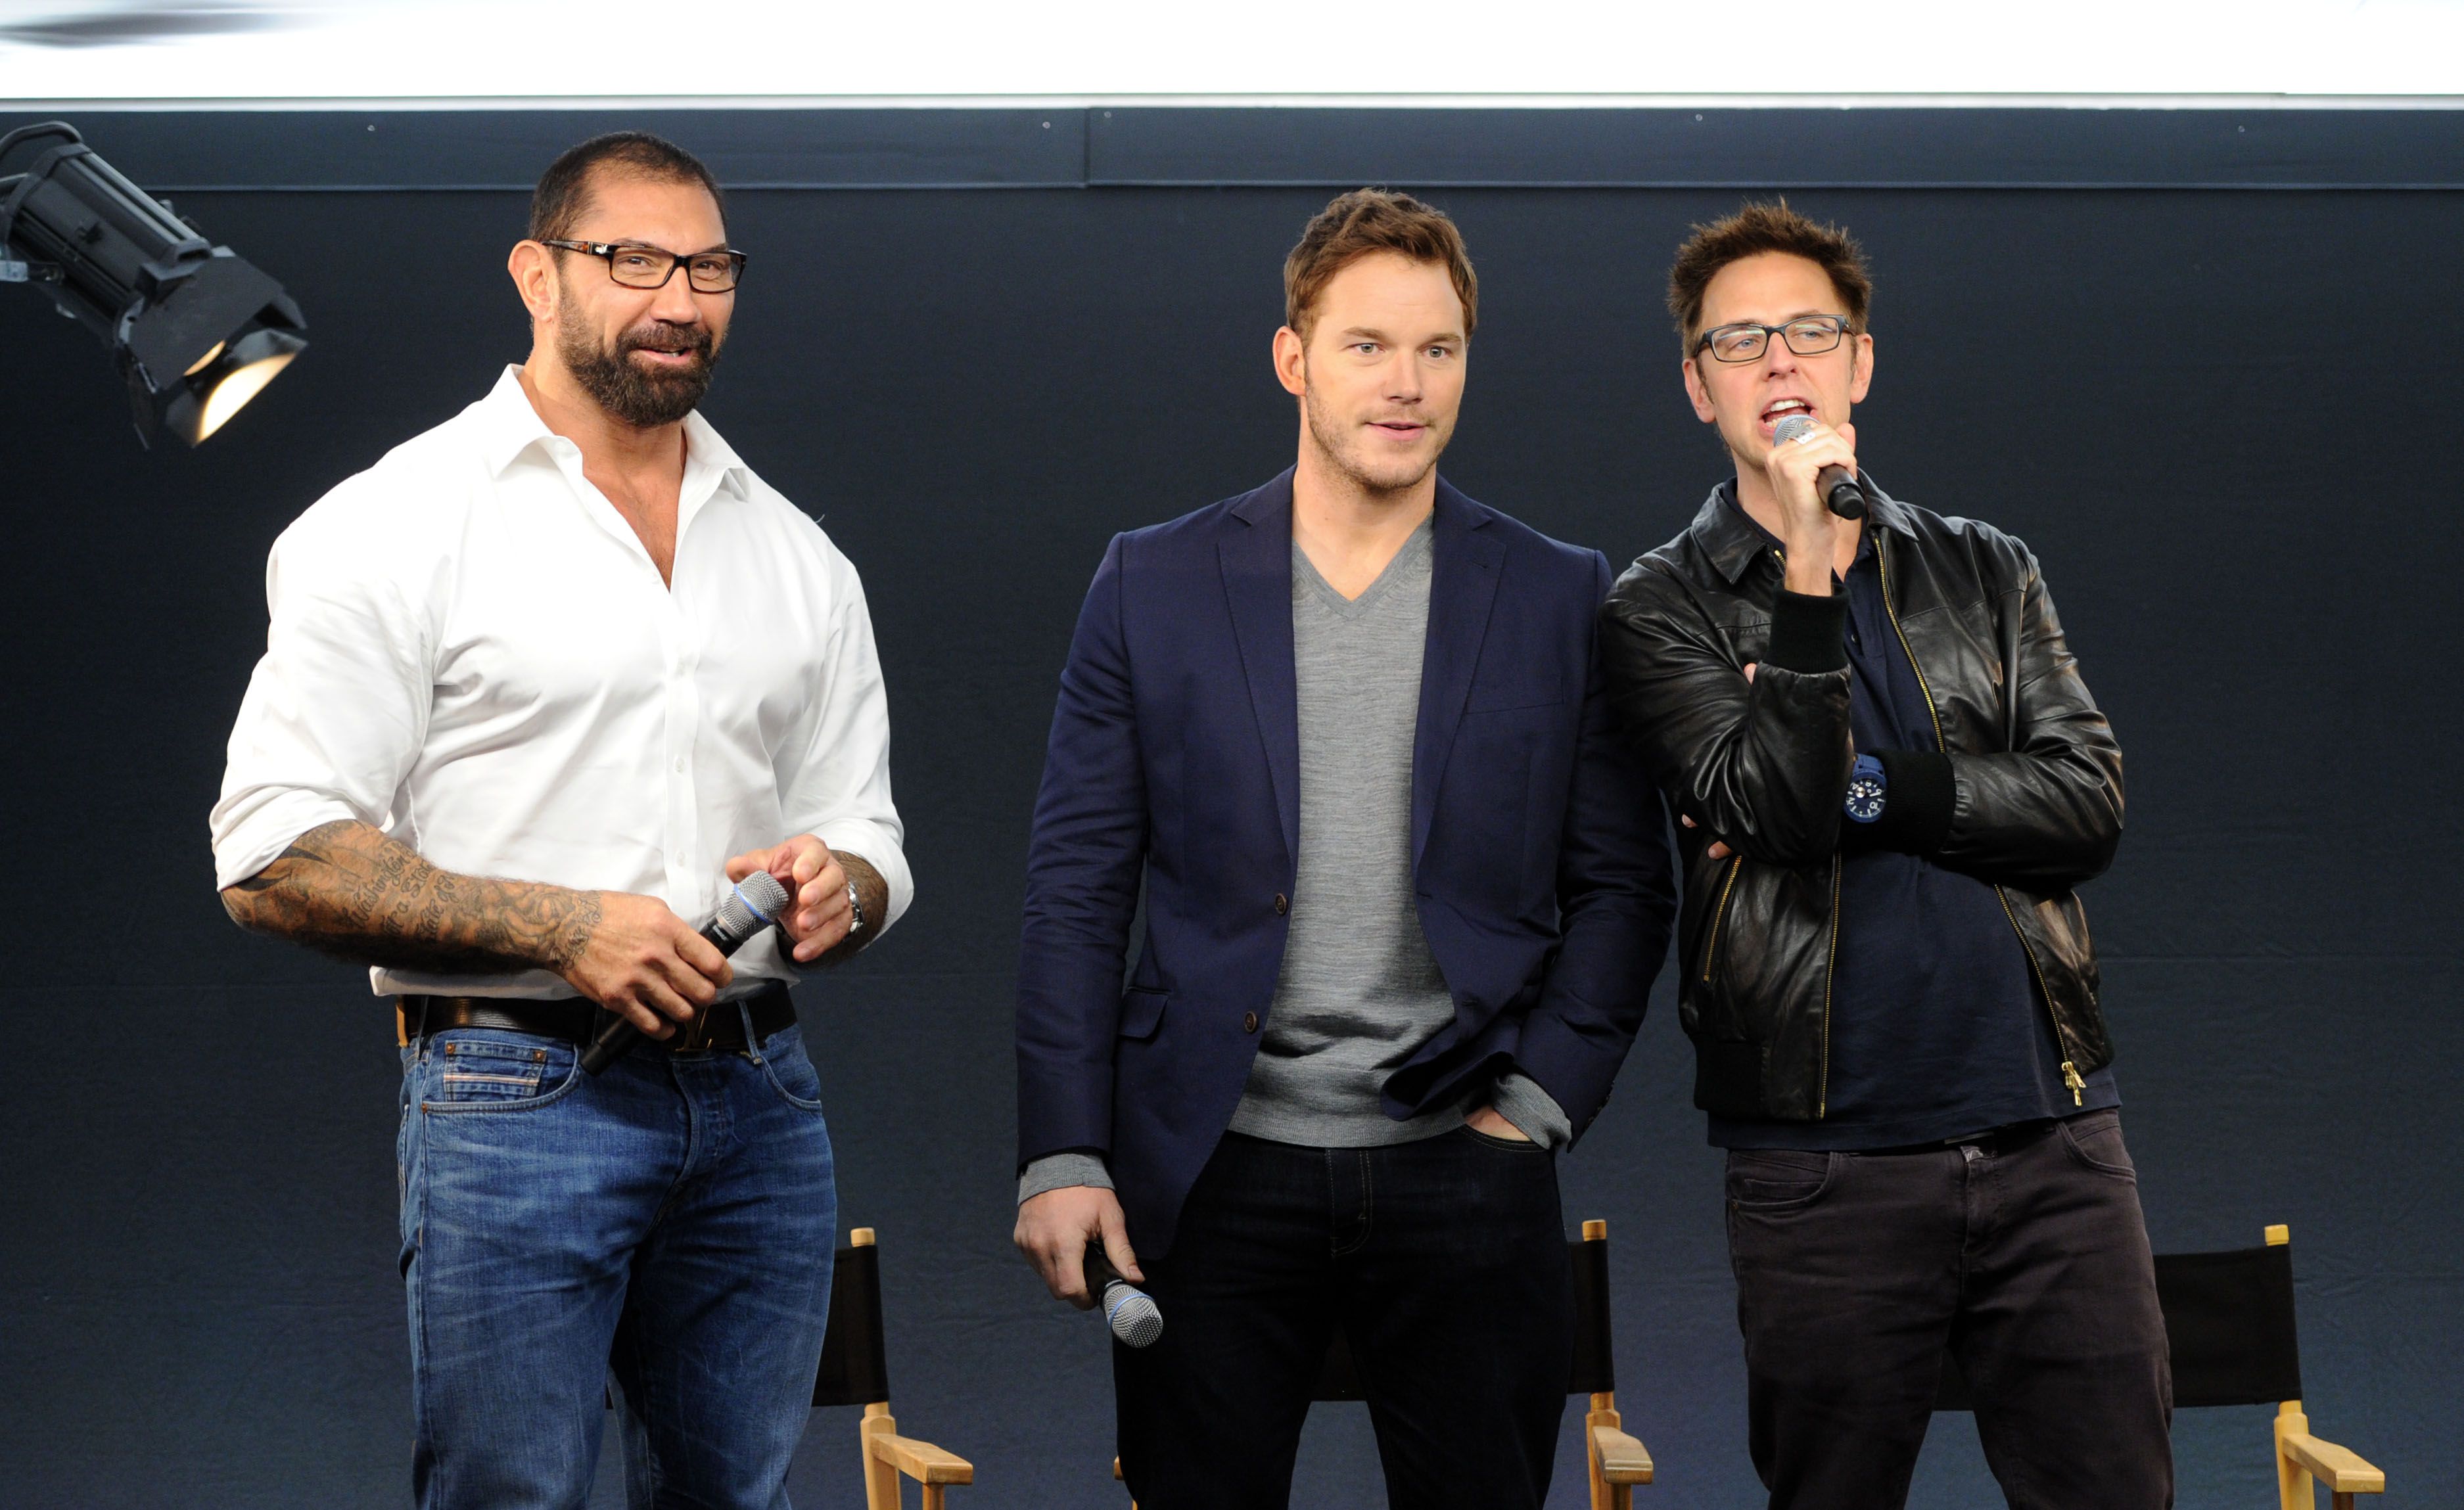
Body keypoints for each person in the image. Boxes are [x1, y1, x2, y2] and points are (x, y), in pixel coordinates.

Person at [209, 132, 909, 1510]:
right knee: (510, 1497)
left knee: (742, 1501)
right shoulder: (395, 523)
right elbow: (271, 851)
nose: (679, 300)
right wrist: (563, 926)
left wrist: (843, 882)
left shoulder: (798, 554)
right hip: (515, 1092)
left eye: (709, 267)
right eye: (633, 260)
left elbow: (869, 831)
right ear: (537, 276)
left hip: (761, 1099)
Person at [1011, 188, 1677, 1510]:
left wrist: (1537, 1106)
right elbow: (1075, 894)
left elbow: (1624, 883)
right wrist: (1063, 1150)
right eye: (1367, 345)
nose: (1405, 383)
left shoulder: (1556, 592)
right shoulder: (1151, 582)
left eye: (1438, 349)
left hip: (1465, 1164)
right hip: (1210, 1166)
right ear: (1293, 357)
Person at [1598, 201, 2168, 1509]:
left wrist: (1877, 784)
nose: (1778, 361)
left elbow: (2087, 803)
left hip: (2056, 1143)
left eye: (1810, 331)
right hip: (1822, 1170)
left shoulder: (1986, 569)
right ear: (1698, 386)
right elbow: (1784, 817)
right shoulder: (1657, 605)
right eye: (1739, 340)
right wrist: (1806, 569)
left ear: (1859, 362)